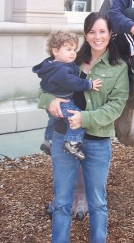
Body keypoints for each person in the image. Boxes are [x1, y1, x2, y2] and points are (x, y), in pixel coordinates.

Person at [38, 12, 129, 243]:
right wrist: (49, 101)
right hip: (63, 137)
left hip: (97, 141)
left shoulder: (118, 67)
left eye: (102, 31)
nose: (97, 37)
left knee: (98, 202)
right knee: (63, 201)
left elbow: (117, 104)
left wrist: (85, 118)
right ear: (86, 34)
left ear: (110, 33)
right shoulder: (71, 57)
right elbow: (45, 86)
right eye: (92, 32)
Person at [33, 31, 102, 160]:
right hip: (63, 100)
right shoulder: (61, 70)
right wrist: (89, 85)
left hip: (54, 98)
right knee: (75, 117)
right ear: (55, 51)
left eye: (75, 49)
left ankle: (48, 141)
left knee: (53, 120)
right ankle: (72, 142)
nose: (73, 53)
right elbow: (73, 82)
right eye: (68, 49)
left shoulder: (50, 64)